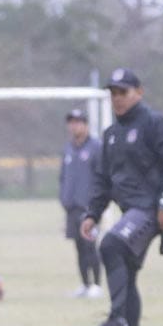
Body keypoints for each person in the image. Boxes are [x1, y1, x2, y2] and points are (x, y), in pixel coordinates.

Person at [80, 68, 163, 326]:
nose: (117, 98)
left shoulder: (155, 124)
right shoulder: (111, 135)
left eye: (123, 92)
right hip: (131, 211)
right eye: (113, 93)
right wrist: (92, 213)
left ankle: (117, 320)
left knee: (110, 245)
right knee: (126, 274)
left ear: (139, 92)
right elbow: (103, 180)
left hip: (150, 209)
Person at [59, 108, 102, 298]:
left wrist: (96, 202)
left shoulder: (96, 147)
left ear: (85, 125)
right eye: (71, 122)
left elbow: (101, 177)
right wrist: (64, 197)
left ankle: (97, 285)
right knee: (78, 247)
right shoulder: (68, 149)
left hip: (89, 208)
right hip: (72, 207)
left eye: (78, 122)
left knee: (90, 245)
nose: (74, 126)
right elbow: (63, 177)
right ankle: (85, 284)